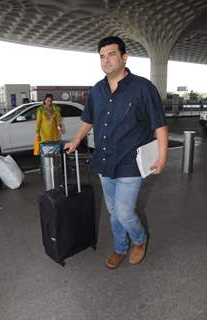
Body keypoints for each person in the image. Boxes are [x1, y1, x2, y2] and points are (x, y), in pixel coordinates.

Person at [64, 36, 168, 269]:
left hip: (131, 162)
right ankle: (120, 247)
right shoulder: (97, 90)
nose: (106, 60)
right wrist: (76, 139)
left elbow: (159, 124)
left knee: (123, 211)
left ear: (124, 57)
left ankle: (139, 240)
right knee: (113, 212)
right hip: (104, 161)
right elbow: (87, 120)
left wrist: (163, 156)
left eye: (111, 54)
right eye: (102, 56)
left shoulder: (143, 88)